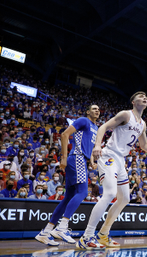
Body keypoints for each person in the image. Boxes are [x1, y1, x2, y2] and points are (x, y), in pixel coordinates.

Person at [77, 92, 147, 249]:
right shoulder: (125, 114)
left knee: (125, 199)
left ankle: (103, 234)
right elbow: (103, 127)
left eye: (146, 97)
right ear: (133, 101)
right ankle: (86, 236)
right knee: (109, 193)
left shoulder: (142, 123)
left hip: (121, 160)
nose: (144, 98)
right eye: (140, 96)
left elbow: (144, 146)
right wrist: (97, 145)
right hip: (109, 155)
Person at [35, 104, 100, 246]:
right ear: (88, 111)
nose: (97, 111)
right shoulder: (84, 120)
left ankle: (46, 232)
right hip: (76, 157)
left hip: (82, 159)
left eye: (98, 109)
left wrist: (92, 161)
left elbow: (88, 147)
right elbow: (65, 134)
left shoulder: (96, 128)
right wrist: (63, 158)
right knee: (83, 192)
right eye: (94, 108)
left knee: (68, 197)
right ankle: (62, 227)